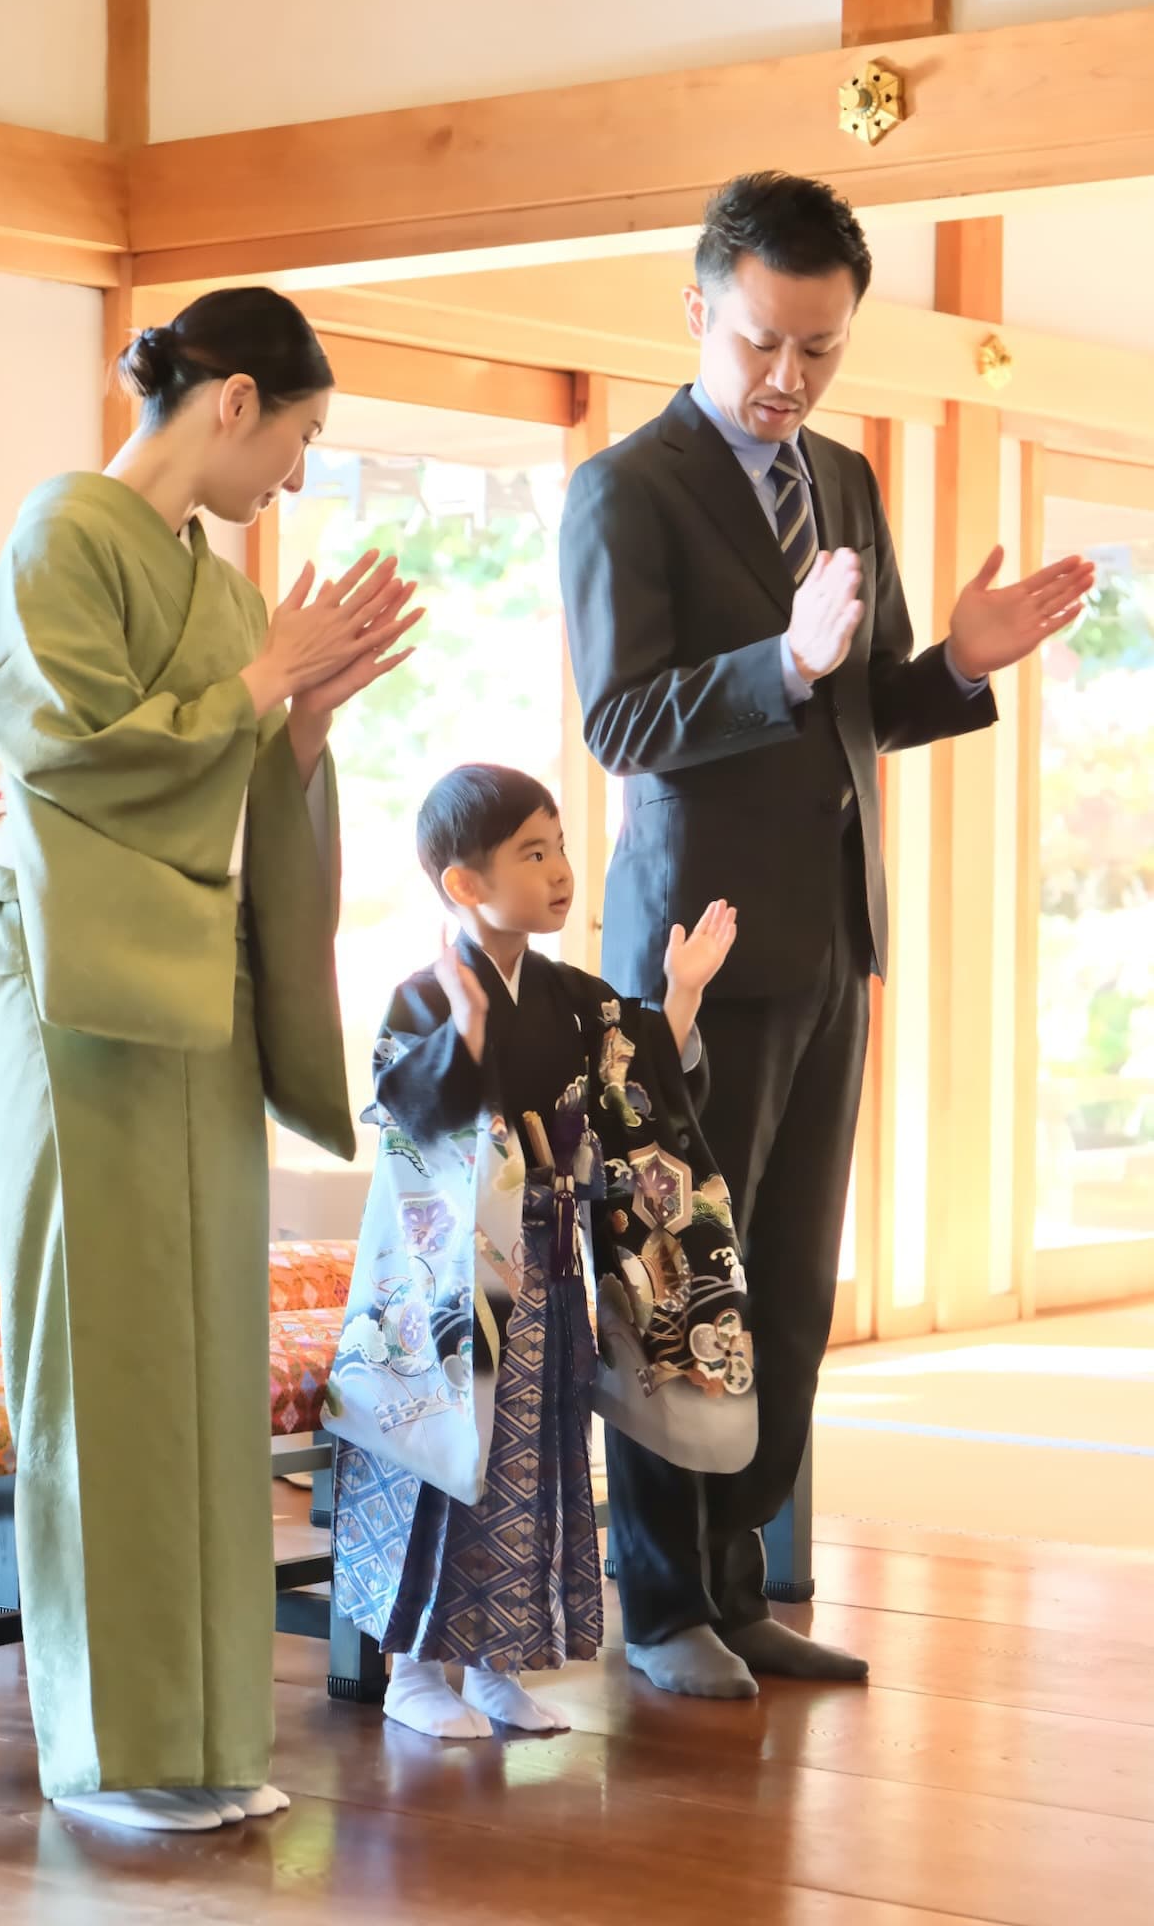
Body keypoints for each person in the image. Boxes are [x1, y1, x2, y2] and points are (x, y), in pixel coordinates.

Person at [558, 172, 1094, 1700]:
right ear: (697, 314)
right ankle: (657, 1605)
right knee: (683, 1283)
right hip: (692, 960)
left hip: (832, 940)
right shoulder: (624, 490)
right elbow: (622, 721)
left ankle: (740, 1589)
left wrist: (956, 664)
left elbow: (860, 705)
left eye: (819, 350)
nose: (787, 379)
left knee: (788, 1289)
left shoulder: (843, 480)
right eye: (761, 344)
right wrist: (779, 659)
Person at [0, 287, 420, 1830]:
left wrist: (296, 724)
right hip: (78, 995)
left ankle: (212, 1738)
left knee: (204, 1357)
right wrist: (255, 692)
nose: (292, 477)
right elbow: (70, 757)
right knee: (103, 1358)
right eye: (295, 438)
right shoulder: (58, 540)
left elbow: (230, 779)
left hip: (194, 999)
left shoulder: (220, 587)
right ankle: (111, 1752)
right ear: (231, 399)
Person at [323, 764, 753, 1739]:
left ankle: (489, 1664)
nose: (560, 870)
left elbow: (630, 1079)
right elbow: (406, 1123)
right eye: (533, 851)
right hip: (449, 1285)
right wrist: (461, 1040)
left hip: (549, 1272)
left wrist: (679, 998)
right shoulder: (423, 996)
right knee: (445, 1468)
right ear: (464, 884)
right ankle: (412, 1670)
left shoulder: (567, 996)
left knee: (534, 1465)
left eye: (559, 846)